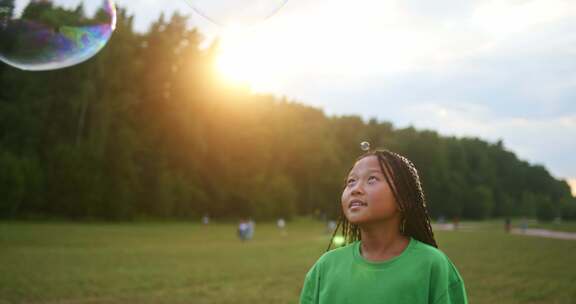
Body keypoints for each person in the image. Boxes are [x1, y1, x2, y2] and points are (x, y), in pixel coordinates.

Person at [300, 149, 468, 304]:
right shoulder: (325, 267)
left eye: (372, 179)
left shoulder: (433, 264)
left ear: (403, 199)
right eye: (351, 181)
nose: (355, 189)